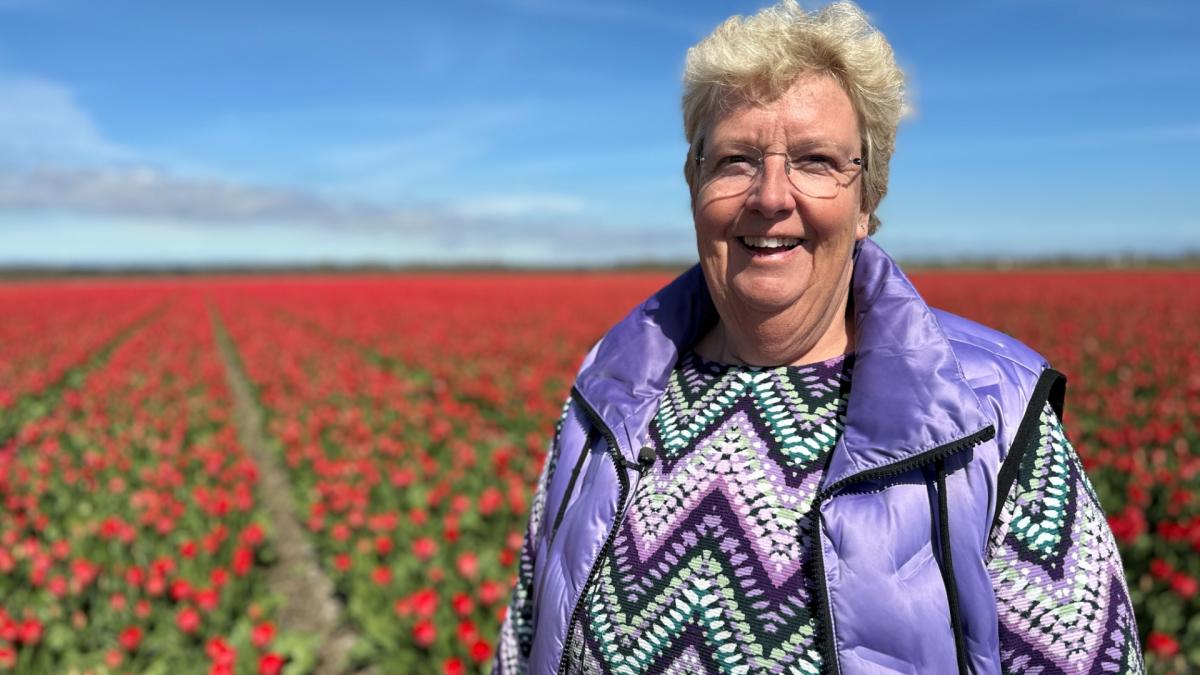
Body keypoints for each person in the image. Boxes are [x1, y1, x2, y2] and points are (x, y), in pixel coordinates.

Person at [493, 1, 1143, 673]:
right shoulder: (607, 393)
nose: (771, 195)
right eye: (736, 159)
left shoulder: (992, 415)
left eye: (815, 160)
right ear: (694, 183)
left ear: (866, 200)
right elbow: (524, 638)